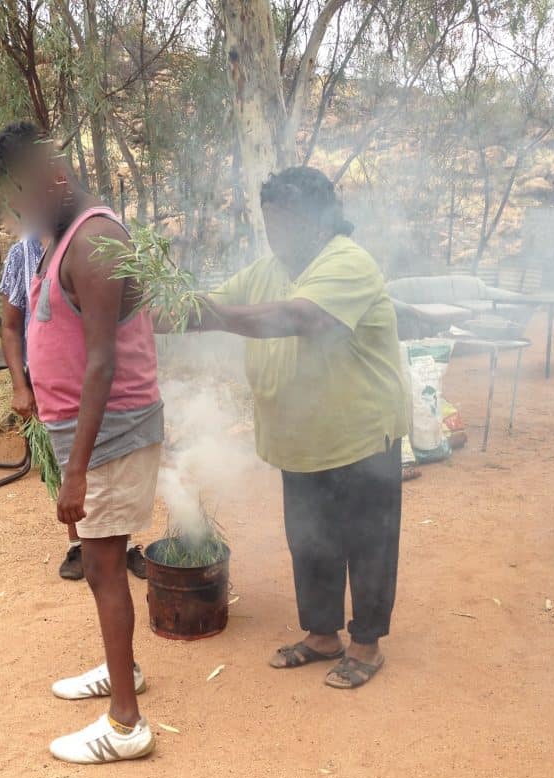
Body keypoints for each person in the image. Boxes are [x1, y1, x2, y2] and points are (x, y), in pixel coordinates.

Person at [170, 166, 407, 688]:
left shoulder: (349, 264)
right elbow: (206, 305)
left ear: (320, 220)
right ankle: (322, 635)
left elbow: (299, 319)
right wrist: (150, 306)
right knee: (311, 540)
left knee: (367, 539)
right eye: (269, 221)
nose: (274, 234)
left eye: (286, 222)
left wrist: (214, 317)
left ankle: (366, 644)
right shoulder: (269, 268)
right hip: (299, 436)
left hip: (359, 435)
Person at [0, 122, 162, 763]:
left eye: (23, 195)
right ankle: (124, 673)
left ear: (55, 179)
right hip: (87, 435)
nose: (19, 211)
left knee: (104, 567)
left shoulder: (95, 242)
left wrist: (77, 470)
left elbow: (103, 364)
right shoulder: (61, 238)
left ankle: (126, 725)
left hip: (109, 436)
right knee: (98, 566)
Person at [0, 236, 148, 583]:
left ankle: (125, 545)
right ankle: (78, 544)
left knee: (115, 459)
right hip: (55, 388)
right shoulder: (22, 255)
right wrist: (21, 387)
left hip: (108, 379)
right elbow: (10, 327)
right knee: (69, 466)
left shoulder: (95, 242)